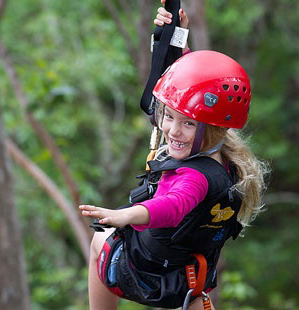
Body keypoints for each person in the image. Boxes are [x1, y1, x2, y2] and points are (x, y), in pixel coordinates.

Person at [79, 8, 267, 309]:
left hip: (151, 270)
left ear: (214, 126)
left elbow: (172, 205)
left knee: (102, 240)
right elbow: (190, 83)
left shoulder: (196, 176)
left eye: (188, 123)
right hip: (189, 277)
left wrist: (128, 215)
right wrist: (175, 36)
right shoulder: (221, 154)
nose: (171, 131)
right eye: (169, 116)